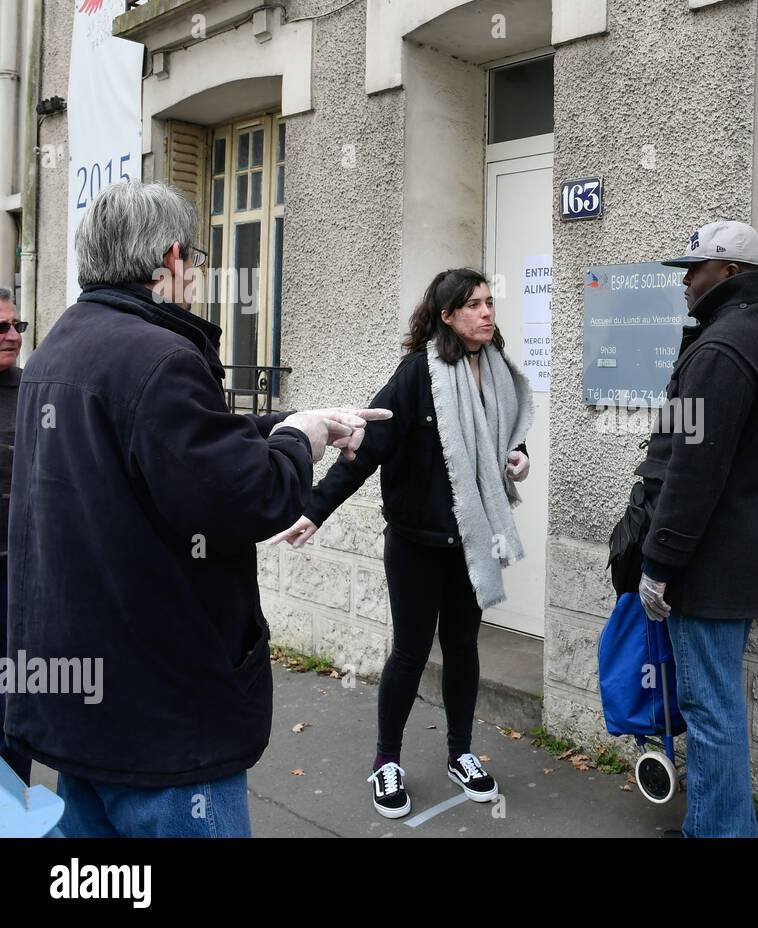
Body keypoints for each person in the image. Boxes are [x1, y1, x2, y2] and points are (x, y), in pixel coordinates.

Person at [3, 181, 390, 837]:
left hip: (87, 712)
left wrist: (293, 422)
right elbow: (250, 497)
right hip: (164, 724)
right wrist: (298, 440)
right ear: (172, 260)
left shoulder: (60, 347)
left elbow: (174, 447)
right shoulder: (160, 356)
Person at [270, 267, 533, 818]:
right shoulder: (417, 376)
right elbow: (367, 448)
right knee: (411, 652)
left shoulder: (499, 373)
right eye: (474, 305)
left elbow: (508, 434)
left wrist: (519, 456)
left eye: (490, 303)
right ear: (446, 316)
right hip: (415, 542)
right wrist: (314, 509)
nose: (487, 313)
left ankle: (460, 752)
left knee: (463, 649)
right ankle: (386, 761)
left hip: (472, 540)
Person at [636, 220, 758, 838]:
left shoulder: (719, 350)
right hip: (744, 552)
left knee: (708, 711)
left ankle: (717, 832)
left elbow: (692, 469)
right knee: (719, 704)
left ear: (728, 274)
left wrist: (659, 562)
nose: (685, 281)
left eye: (694, 269)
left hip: (709, 562)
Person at [0, 289, 29, 785]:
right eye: (1, 327)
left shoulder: (35, 390)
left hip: (20, 577)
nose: (12, 335)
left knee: (15, 707)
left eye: (17, 326)